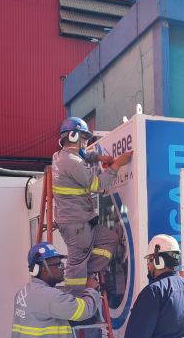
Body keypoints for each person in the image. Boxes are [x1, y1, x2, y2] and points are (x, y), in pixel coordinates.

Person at [52, 117, 132, 295]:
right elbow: (97, 185)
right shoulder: (72, 162)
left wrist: (100, 157)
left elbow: (84, 155)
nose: (85, 142)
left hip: (80, 221)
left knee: (110, 239)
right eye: (83, 137)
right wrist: (117, 164)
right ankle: (75, 301)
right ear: (73, 136)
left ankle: (86, 273)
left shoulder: (59, 156)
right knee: (76, 263)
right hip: (77, 224)